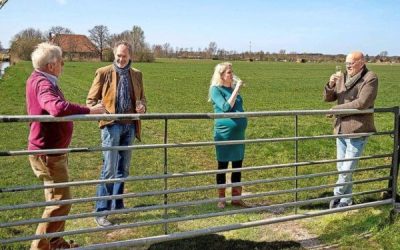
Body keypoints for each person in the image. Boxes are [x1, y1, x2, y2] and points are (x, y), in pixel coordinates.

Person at [26, 42, 105, 249]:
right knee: (61, 202)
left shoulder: (41, 79)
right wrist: (90, 110)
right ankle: (41, 247)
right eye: (61, 61)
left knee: (56, 201)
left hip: (51, 151)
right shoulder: (43, 83)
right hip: (48, 153)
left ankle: (55, 242)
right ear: (52, 65)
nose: (63, 64)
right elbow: (56, 108)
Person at [86, 41, 146, 227]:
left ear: (130, 56)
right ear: (114, 55)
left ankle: (118, 204)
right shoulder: (103, 72)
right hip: (111, 126)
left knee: (124, 169)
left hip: (129, 126)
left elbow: (143, 98)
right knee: (109, 169)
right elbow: (90, 100)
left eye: (124, 56)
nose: (121, 59)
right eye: (118, 56)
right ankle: (101, 211)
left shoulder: (136, 74)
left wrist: (142, 107)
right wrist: (99, 111)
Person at [323, 51, 378, 209]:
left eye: (351, 64)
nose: (348, 67)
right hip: (340, 129)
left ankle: (337, 195)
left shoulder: (370, 78)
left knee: (347, 168)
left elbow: (362, 103)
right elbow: (328, 98)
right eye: (346, 64)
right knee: (342, 167)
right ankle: (346, 201)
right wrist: (330, 84)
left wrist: (336, 110)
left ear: (361, 62)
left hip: (357, 130)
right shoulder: (343, 77)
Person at [208, 62, 248, 209]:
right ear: (221, 75)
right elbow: (225, 107)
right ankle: (221, 199)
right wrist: (236, 88)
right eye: (229, 72)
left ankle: (236, 198)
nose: (232, 75)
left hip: (238, 135)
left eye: (232, 72)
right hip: (224, 134)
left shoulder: (232, 89)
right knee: (223, 165)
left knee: (238, 165)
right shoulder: (215, 90)